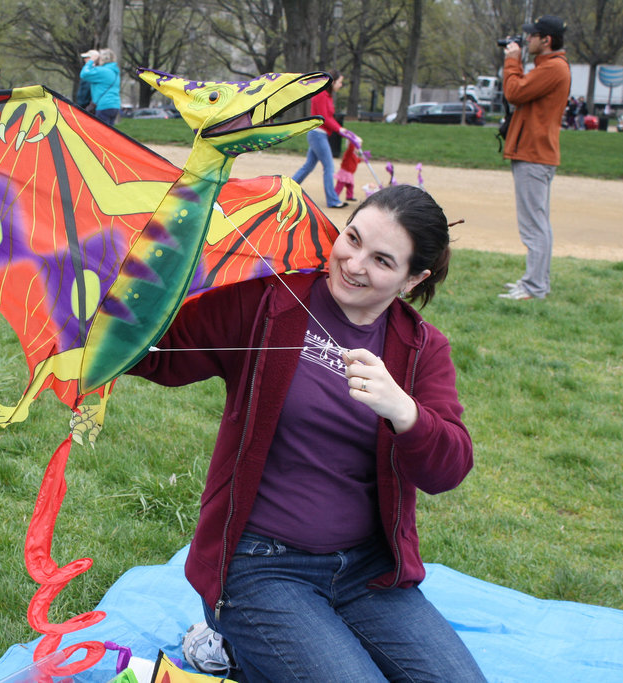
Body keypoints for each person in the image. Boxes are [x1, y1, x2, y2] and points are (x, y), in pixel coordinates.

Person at [131, 185, 486, 682]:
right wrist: (134, 282)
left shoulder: (421, 348)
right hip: (260, 566)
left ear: (413, 279)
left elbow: (449, 468)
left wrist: (404, 411)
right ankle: (239, 641)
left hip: (368, 573)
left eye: (383, 260)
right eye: (353, 238)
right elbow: (158, 353)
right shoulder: (271, 301)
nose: (355, 263)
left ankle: (250, 656)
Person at [499, 15, 571, 301]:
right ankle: (535, 281)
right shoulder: (549, 66)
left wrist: (512, 60)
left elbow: (514, 92)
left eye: (532, 36)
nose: (527, 40)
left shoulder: (553, 67)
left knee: (534, 226)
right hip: (534, 153)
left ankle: (534, 287)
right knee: (537, 223)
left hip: (535, 154)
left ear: (546, 40)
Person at [293, 70, 360, 210]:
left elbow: (329, 118)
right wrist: (339, 129)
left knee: (308, 166)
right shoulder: (321, 95)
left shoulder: (327, 96)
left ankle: (288, 188)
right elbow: (324, 118)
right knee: (329, 167)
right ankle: (333, 200)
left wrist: (341, 129)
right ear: (332, 81)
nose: (341, 85)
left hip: (319, 134)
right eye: (340, 82)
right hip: (318, 134)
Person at [79, 48, 121, 127]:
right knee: (109, 132)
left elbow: (84, 74)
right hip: (115, 105)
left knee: (101, 133)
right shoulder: (114, 71)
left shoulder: (103, 71)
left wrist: (91, 61)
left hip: (103, 105)